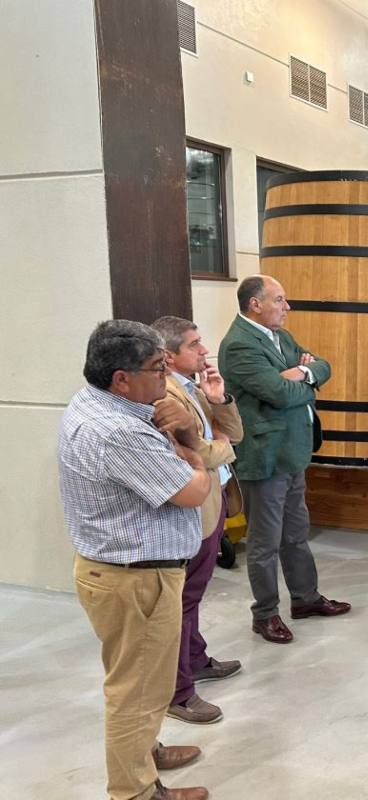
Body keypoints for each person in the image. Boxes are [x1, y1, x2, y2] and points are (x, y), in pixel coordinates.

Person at [58, 320, 211, 800]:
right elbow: (192, 491)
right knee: (136, 693)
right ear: (120, 378)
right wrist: (196, 453)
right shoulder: (116, 430)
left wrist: (182, 431)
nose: (165, 379)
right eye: (156, 369)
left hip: (122, 574)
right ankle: (137, 791)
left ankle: (143, 752)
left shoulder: (102, 403)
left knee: (139, 685)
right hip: (136, 581)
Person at [219, 275, 350, 644]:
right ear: (255, 304)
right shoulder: (240, 345)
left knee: (296, 532)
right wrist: (303, 384)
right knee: (265, 541)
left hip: (292, 452)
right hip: (265, 456)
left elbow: (324, 365)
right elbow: (277, 393)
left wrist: (304, 372)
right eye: (279, 299)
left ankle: (305, 599)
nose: (287, 307)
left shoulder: (281, 337)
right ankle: (265, 614)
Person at [152, 316, 244, 726]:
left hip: (216, 496)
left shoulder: (193, 388)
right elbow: (196, 455)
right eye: (195, 344)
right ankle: (178, 691)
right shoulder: (164, 396)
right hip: (194, 504)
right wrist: (218, 448)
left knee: (196, 591)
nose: (205, 350)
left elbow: (234, 435)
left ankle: (195, 658)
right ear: (168, 356)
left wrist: (219, 399)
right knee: (184, 599)